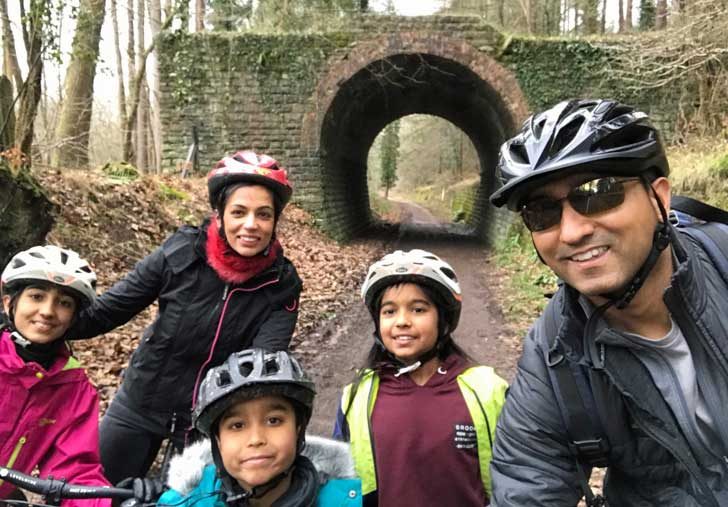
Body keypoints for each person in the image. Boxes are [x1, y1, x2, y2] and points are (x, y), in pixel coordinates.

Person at [488, 99, 728, 506]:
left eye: (598, 193)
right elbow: (526, 483)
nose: (571, 231)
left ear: (660, 198)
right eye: (542, 212)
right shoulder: (554, 359)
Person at [68, 150, 303, 484]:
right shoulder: (181, 253)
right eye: (239, 212)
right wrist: (36, 326)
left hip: (212, 416)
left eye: (263, 215)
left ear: (274, 221)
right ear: (219, 215)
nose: (251, 225)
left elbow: (259, 369)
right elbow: (107, 312)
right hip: (142, 399)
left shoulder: (281, 285)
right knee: (93, 490)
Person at [333, 249, 509, 506]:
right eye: (389, 311)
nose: (402, 321)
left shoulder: (486, 390)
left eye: (418, 309)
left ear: (443, 320)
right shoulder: (357, 398)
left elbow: (519, 475)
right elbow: (340, 482)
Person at [157, 348, 362, 507]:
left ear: (298, 430)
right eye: (237, 425)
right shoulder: (187, 499)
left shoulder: (347, 500)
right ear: (217, 441)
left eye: (273, 421)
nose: (255, 439)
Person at [0, 245, 110, 507]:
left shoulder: (73, 388)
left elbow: (76, 470)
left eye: (63, 303)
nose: (48, 311)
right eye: (37, 296)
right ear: (9, 303)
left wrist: (108, 502)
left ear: (72, 318)